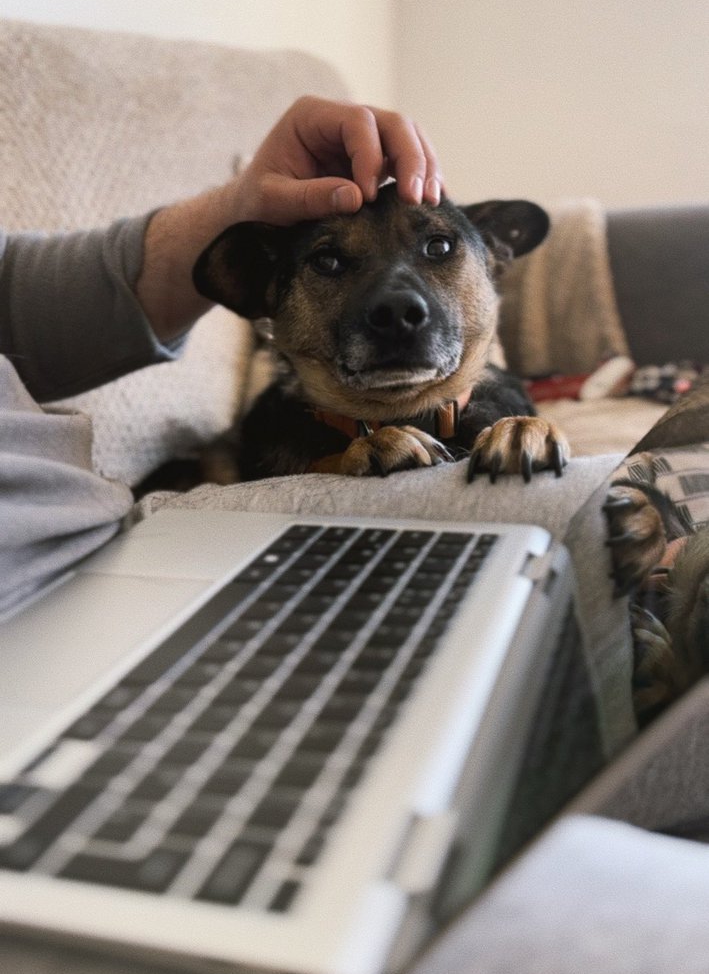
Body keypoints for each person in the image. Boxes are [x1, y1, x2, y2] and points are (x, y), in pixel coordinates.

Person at [0, 97, 443, 614]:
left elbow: (13, 301)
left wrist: (242, 203)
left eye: (438, 249)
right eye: (329, 261)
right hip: (84, 580)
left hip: (111, 549)